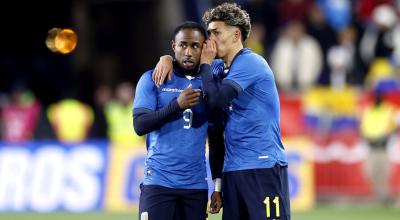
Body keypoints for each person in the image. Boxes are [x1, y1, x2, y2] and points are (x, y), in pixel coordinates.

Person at [153, 3, 290, 219]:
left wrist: (206, 65)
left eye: (216, 32)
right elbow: (186, 62)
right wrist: (167, 58)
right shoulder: (218, 68)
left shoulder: (251, 63)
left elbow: (216, 102)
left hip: (261, 166)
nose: (209, 40)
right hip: (233, 171)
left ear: (236, 35)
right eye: (208, 33)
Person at [133, 21, 224, 220]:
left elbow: (216, 139)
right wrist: (176, 105)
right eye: (183, 45)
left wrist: (217, 186)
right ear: (173, 46)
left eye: (195, 45)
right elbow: (140, 125)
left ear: (205, 47)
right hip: (158, 182)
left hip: (195, 187)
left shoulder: (212, 78)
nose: (188, 52)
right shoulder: (154, 78)